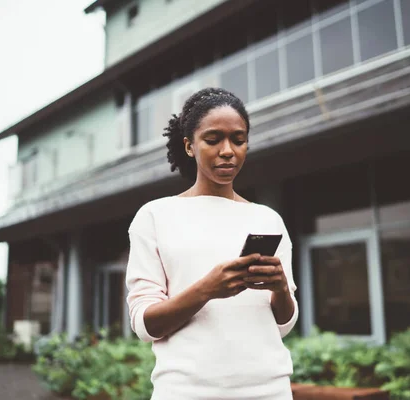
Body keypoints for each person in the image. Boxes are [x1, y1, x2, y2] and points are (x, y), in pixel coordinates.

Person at [126, 87, 298, 400]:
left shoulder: (267, 218)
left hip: (269, 391)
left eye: (239, 139)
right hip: (186, 392)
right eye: (213, 139)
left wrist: (281, 288)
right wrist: (207, 289)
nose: (228, 150)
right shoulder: (155, 216)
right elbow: (144, 324)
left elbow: (284, 324)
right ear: (189, 146)